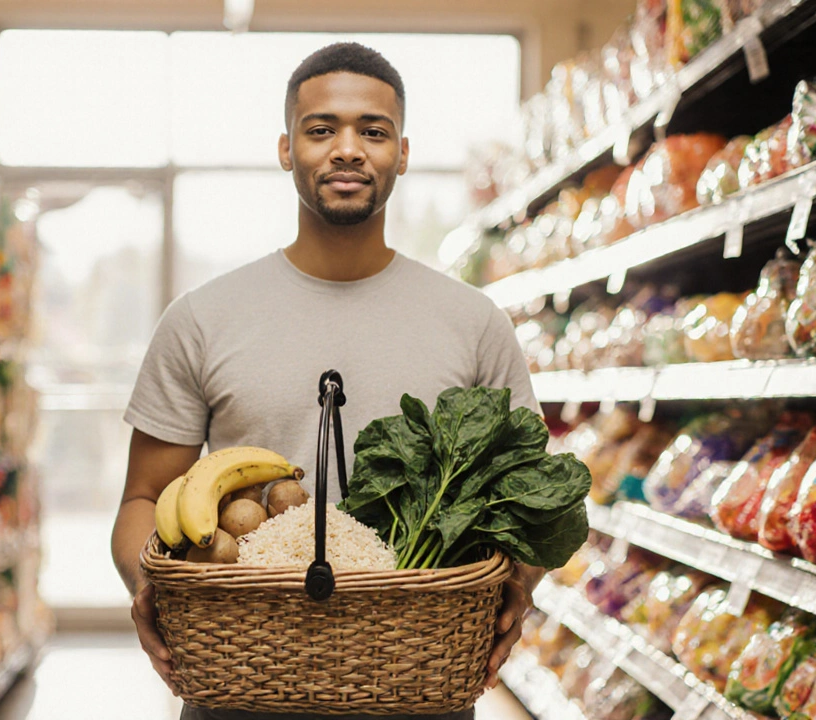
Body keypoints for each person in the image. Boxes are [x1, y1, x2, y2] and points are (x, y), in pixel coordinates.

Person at [110, 42, 545, 720]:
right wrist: (149, 585)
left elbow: (531, 500)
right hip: (242, 692)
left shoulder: (474, 323)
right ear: (287, 149)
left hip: (417, 692)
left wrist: (521, 582)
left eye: (373, 131)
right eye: (321, 130)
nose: (347, 150)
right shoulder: (202, 319)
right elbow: (143, 496)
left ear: (402, 152)